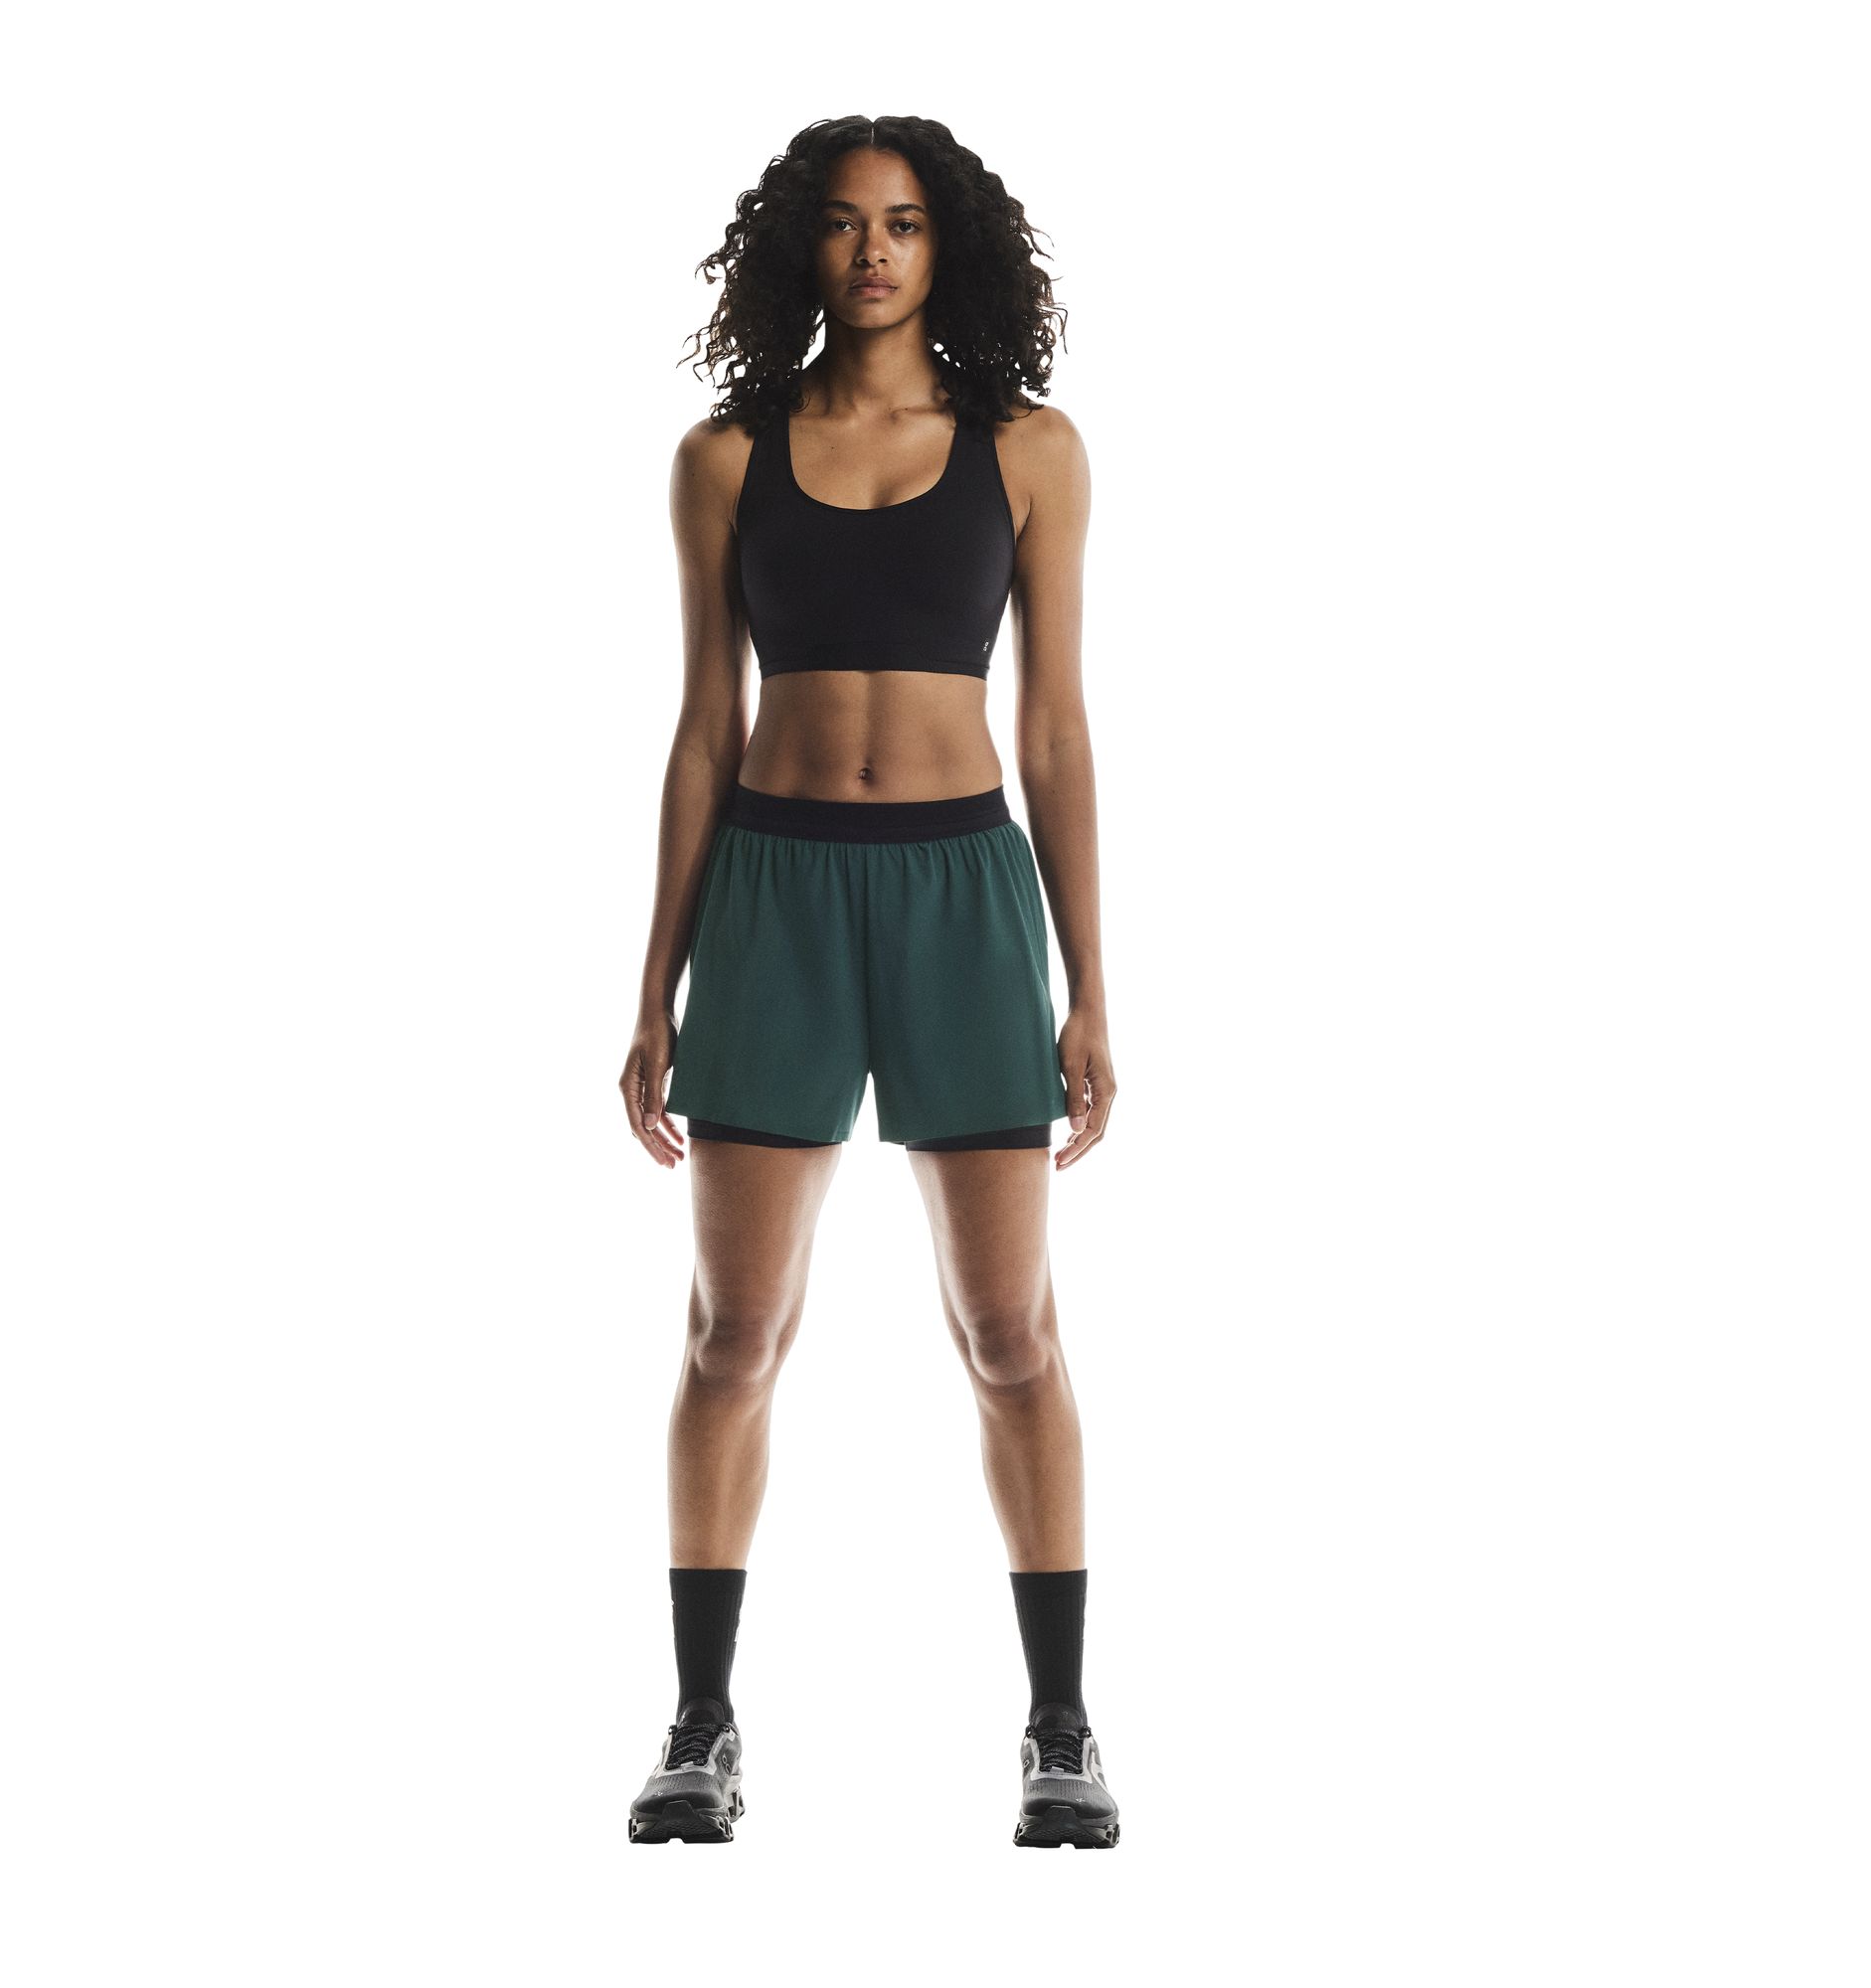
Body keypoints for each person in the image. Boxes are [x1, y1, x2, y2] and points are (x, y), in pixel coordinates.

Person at [619, 115, 1119, 1849]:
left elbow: (1055, 731)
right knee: (732, 1331)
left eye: (904, 224)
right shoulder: (723, 456)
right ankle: (700, 1725)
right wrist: (654, 984)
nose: (875, 252)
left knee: (1010, 1331)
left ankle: (1061, 1729)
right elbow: (704, 731)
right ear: (802, 251)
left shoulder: (1030, 451)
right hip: (773, 896)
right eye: (843, 225)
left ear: (944, 245)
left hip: (964, 896)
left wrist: (1090, 986)